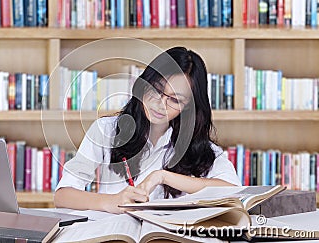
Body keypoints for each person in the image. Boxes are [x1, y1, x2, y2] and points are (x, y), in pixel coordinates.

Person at [54, 46, 240, 213]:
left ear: (189, 107)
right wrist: (110, 202)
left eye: (174, 100)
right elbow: (62, 196)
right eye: (156, 90)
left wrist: (162, 177)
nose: (160, 104)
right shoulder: (107, 130)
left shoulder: (199, 147)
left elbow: (233, 192)